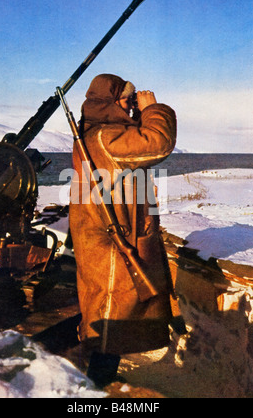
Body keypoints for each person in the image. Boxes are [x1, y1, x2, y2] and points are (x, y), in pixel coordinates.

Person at [69, 73, 177, 387]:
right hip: (111, 241)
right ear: (110, 101)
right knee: (112, 310)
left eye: (134, 102)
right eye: (128, 101)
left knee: (108, 307)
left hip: (105, 236)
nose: (132, 108)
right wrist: (153, 108)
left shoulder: (97, 134)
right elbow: (158, 144)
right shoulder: (106, 136)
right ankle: (94, 385)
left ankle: (96, 376)